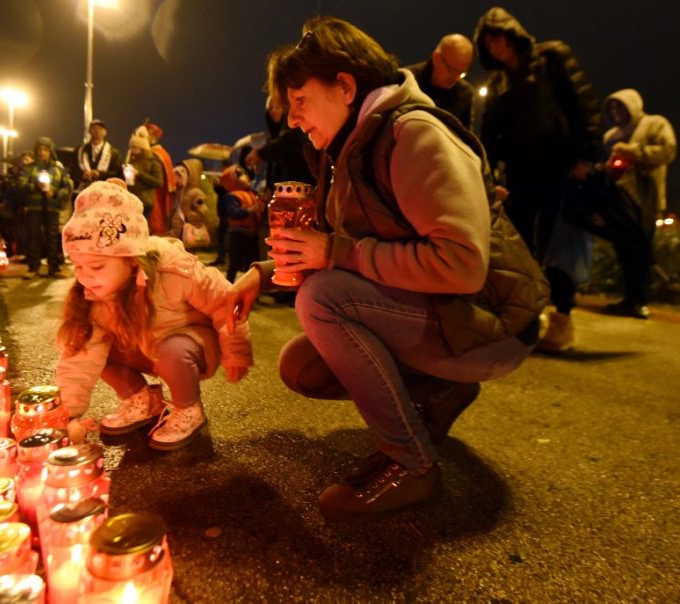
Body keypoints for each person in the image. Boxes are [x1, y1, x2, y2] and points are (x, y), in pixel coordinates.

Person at [226, 16, 548, 520]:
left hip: (492, 325)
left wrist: (333, 254)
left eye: (300, 101)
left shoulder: (412, 134)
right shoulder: (348, 149)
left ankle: (411, 463)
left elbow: (462, 266)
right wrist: (261, 274)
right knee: (301, 367)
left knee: (323, 300)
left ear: (346, 86)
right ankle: (442, 389)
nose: (292, 119)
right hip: (450, 314)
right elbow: (341, 244)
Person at [55, 179, 253, 450]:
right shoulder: (91, 296)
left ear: (131, 258)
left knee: (172, 351)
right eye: (78, 266)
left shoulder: (174, 270)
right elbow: (78, 357)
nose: (85, 277)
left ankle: (188, 408)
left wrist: (236, 349)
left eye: (97, 266)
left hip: (187, 345)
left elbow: (226, 300)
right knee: (92, 348)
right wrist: (66, 417)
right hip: (143, 345)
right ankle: (142, 400)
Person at [474, 7, 601, 350]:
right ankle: (528, 316)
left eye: (498, 37)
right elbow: (490, 132)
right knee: (520, 249)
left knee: (560, 246)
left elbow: (582, 104)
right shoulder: (500, 81)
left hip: (561, 170)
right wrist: (487, 175)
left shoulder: (552, 57)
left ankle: (562, 321)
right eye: (488, 43)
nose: (496, 47)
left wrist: (586, 156)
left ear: (512, 33)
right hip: (519, 176)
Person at [598, 89, 676, 319]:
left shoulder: (654, 124)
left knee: (641, 249)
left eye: (620, 106)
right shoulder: (611, 135)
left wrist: (635, 153)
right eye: (612, 107)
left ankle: (640, 300)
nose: (616, 111)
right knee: (624, 251)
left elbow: (668, 150)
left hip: (645, 199)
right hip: (618, 202)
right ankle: (629, 298)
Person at [19, 136, 72, 278]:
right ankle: (33, 267)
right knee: (33, 237)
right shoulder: (30, 169)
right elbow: (22, 185)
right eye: (40, 149)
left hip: (52, 207)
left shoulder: (58, 169)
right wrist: (36, 186)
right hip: (34, 207)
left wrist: (55, 192)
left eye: (46, 150)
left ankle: (54, 267)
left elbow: (66, 187)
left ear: (51, 151)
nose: (42, 152)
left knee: (52, 237)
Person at [405, 33, 475, 129]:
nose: (456, 78)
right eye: (452, 70)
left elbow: (465, 136)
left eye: (461, 72)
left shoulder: (465, 94)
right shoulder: (407, 80)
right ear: (436, 58)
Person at [220, 164, 263, 283]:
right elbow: (233, 213)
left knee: (252, 264)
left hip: (252, 234)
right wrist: (250, 209)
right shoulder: (233, 195)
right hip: (238, 234)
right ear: (234, 179)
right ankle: (229, 287)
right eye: (241, 175)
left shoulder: (251, 193)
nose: (246, 177)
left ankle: (250, 289)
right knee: (234, 263)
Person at [141, 122, 176, 236]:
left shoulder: (155, 154)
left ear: (152, 137)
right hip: (152, 191)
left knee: (154, 220)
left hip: (154, 193)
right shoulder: (158, 153)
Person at [70, 118, 122, 193]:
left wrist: (100, 174)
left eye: (100, 129)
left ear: (105, 132)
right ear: (89, 131)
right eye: (94, 128)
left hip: (105, 192)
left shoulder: (114, 153)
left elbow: (117, 173)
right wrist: (82, 175)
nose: (97, 131)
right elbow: (73, 171)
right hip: (84, 191)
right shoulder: (80, 151)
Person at [124, 128, 164, 219]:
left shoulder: (153, 161)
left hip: (145, 201)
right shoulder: (130, 160)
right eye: (131, 147)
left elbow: (158, 182)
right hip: (130, 199)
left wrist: (138, 174)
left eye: (134, 147)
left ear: (142, 148)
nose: (132, 150)